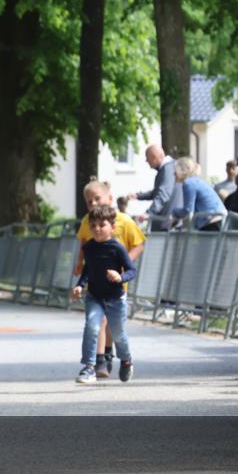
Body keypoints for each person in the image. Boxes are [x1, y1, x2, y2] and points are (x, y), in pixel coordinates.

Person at [73, 180, 145, 376]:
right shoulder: (88, 222)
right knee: (97, 322)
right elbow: (83, 244)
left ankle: (110, 354)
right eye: (89, 202)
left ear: (110, 198)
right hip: (96, 282)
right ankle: (97, 362)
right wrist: (80, 265)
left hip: (116, 282)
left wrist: (121, 269)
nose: (94, 204)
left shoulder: (124, 221)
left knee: (113, 327)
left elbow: (139, 244)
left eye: (97, 199)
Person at [128, 144, 176, 231]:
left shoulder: (167, 170)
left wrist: (149, 213)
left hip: (166, 224)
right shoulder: (168, 168)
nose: (146, 161)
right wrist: (138, 196)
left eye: (147, 157)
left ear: (154, 157)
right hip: (168, 222)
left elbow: (163, 194)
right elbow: (158, 192)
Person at [171, 157, 226, 231]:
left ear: (182, 170)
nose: (173, 174)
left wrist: (174, 212)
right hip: (218, 219)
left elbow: (188, 211)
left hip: (212, 221)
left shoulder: (189, 183)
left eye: (175, 171)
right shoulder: (195, 181)